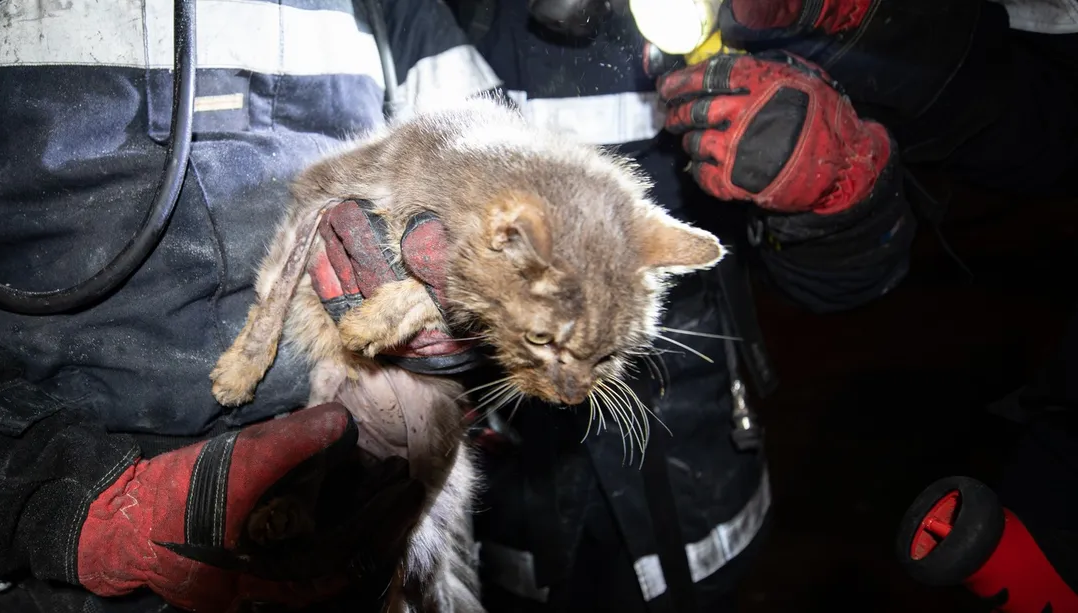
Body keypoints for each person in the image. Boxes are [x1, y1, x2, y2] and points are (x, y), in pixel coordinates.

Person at [438, 0, 1078, 611]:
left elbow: (851, 283)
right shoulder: (443, 26)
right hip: (507, 488)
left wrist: (835, 194)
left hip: (698, 467)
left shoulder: (721, 26)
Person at [0, 1, 502, 612]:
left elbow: (532, 192)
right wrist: (64, 504)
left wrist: (461, 330)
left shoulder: (396, 11)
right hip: (68, 539)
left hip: (361, 503)